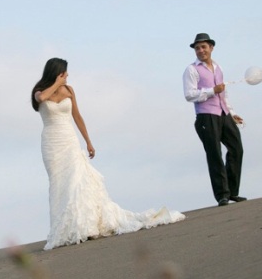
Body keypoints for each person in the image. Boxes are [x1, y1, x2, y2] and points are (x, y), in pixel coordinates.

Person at [32, 57, 184, 250]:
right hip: (52, 144)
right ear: (57, 72)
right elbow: (42, 98)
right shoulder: (39, 91)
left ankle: (83, 224)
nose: (68, 75)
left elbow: (77, 116)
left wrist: (88, 141)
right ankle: (63, 227)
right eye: (65, 73)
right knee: (59, 184)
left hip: (69, 140)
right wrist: (56, 83)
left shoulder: (69, 91)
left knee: (77, 180)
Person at [183, 33, 246, 206]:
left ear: (211, 48)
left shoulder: (218, 67)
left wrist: (232, 113)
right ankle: (222, 195)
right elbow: (189, 95)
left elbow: (224, 93)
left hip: (223, 114)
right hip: (206, 117)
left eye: (203, 47)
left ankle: (232, 191)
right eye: (197, 48)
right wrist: (212, 90)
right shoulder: (191, 70)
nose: (200, 50)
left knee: (236, 149)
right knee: (214, 155)